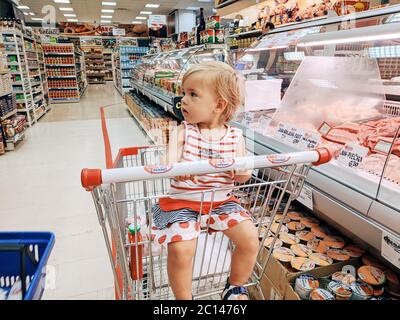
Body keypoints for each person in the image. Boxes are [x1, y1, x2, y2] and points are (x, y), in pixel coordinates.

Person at [151, 61, 259, 300]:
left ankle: (234, 286)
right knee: (181, 249)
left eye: (192, 94)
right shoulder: (183, 131)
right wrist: (177, 168)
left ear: (219, 105)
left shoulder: (235, 136)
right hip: (182, 202)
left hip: (220, 201)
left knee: (250, 239)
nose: (183, 100)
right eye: (183, 93)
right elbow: (167, 162)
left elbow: (244, 172)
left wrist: (241, 172)